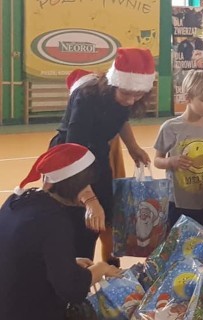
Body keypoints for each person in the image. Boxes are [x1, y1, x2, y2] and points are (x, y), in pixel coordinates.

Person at [51, 48, 154, 264]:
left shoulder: (126, 97)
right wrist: (89, 199)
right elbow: (73, 149)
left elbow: (121, 119)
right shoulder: (86, 97)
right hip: (68, 161)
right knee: (80, 223)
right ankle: (79, 277)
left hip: (98, 154)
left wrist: (132, 147)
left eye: (138, 95)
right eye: (126, 93)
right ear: (113, 83)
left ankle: (109, 266)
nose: (131, 100)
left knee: (104, 217)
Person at [0, 144, 123, 319]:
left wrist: (67, 262)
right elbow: (71, 289)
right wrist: (101, 268)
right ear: (74, 186)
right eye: (86, 184)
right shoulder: (54, 220)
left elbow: (24, 254)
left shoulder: (18, 200)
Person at [153, 70, 203, 235]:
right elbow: (157, 160)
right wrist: (171, 161)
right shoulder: (171, 127)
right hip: (178, 202)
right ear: (188, 98)